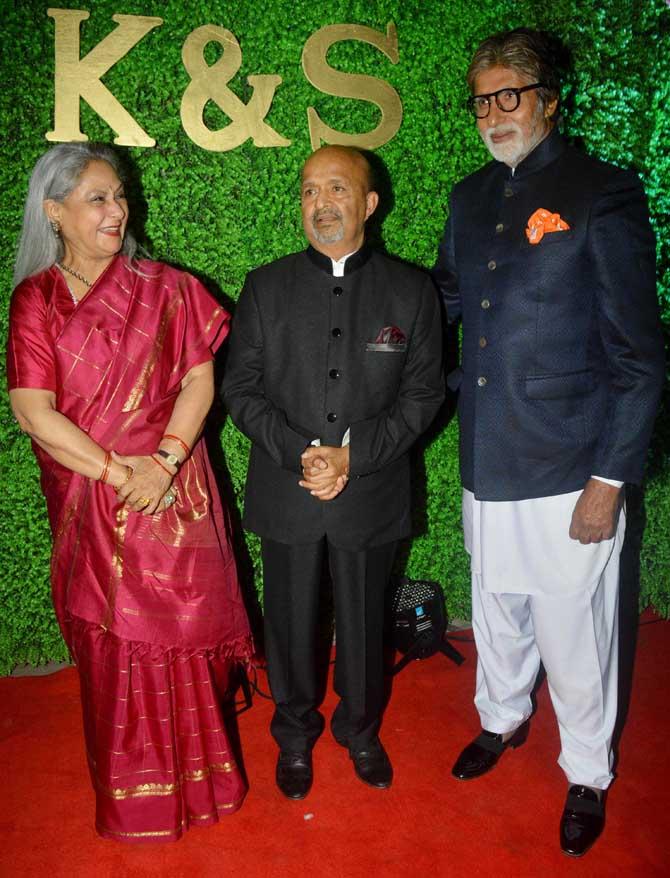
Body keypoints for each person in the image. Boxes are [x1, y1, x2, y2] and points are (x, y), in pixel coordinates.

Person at [433, 29, 664, 857]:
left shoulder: (602, 191)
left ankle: (588, 771)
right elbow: (446, 303)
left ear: (547, 98)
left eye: (510, 95)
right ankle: (501, 720)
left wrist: (612, 477)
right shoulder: (467, 197)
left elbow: (641, 357)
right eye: (482, 98)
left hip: (572, 459)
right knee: (495, 603)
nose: (494, 112)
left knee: (576, 630)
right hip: (487, 448)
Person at [7, 142, 252, 843]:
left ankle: (204, 782)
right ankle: (137, 797)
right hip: (96, 494)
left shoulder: (168, 288)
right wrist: (122, 474)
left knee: (183, 638)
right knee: (116, 646)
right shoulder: (37, 300)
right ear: (54, 213)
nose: (116, 211)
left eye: (118, 196)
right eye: (96, 198)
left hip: (173, 492)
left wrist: (167, 463)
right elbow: (34, 410)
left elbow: (200, 379)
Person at [223, 145, 444, 799]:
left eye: (337, 189)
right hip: (288, 488)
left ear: (369, 204)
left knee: (365, 620)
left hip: (371, 491)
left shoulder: (411, 289)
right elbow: (241, 388)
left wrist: (356, 455)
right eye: (310, 190)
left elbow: (424, 395)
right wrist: (302, 453)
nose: (321, 203)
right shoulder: (266, 286)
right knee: (288, 621)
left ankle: (361, 729)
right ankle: (293, 737)